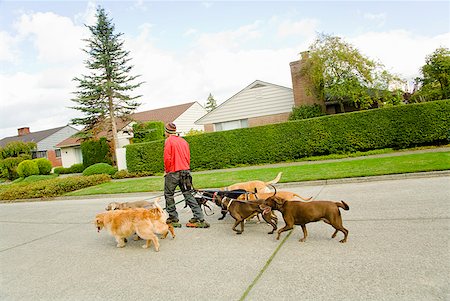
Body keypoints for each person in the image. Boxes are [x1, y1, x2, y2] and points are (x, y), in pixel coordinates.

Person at [163, 122, 210, 228]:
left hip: (173, 172)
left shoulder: (169, 141)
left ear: (166, 131)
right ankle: (199, 218)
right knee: (188, 194)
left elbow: (167, 158)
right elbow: (188, 157)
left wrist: (167, 171)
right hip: (185, 171)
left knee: (169, 195)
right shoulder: (184, 141)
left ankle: (173, 218)